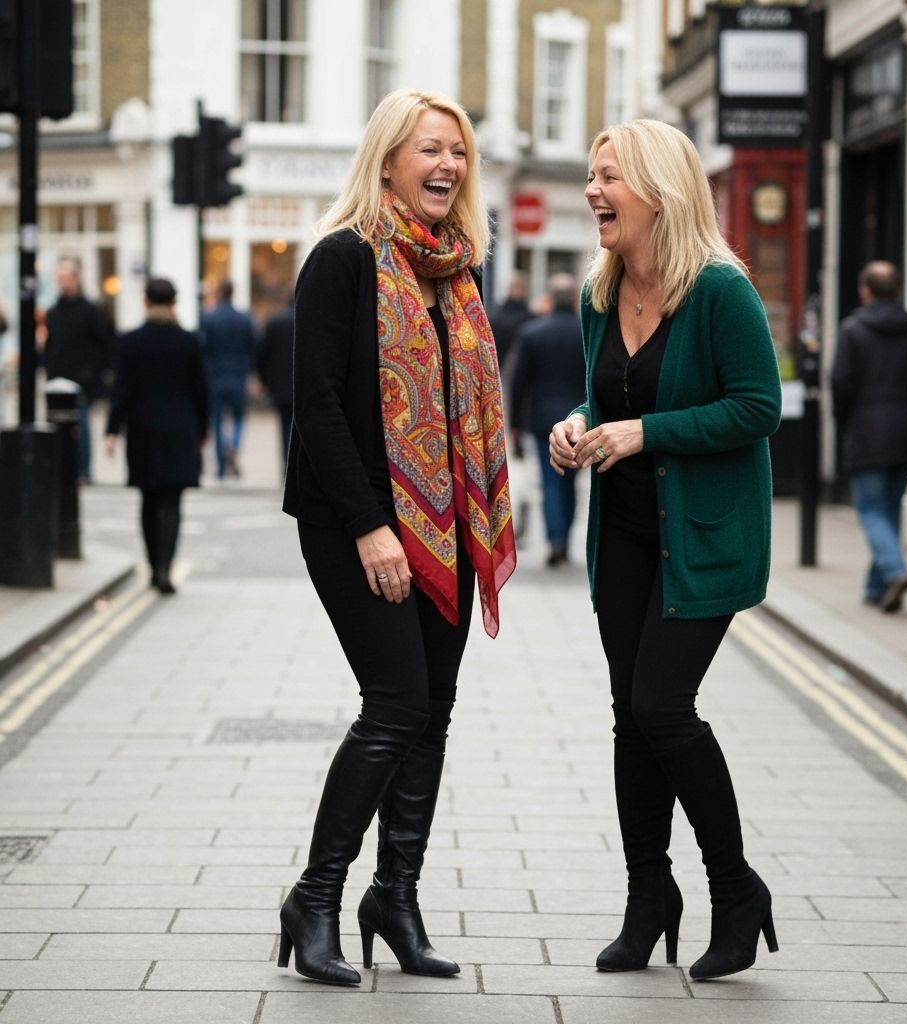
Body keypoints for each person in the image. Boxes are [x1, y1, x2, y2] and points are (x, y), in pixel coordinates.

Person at [278, 88, 516, 987]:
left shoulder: (458, 270)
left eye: (458, 150)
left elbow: (467, 410)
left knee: (433, 714)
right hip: (356, 527)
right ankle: (318, 896)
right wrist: (376, 526)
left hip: (448, 526)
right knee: (396, 705)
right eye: (430, 149)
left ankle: (397, 897)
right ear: (387, 161)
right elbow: (319, 409)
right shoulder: (341, 260)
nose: (448, 165)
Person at [549, 119, 782, 982]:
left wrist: (644, 432)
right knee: (629, 717)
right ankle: (649, 898)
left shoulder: (720, 292)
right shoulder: (597, 294)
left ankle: (735, 890)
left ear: (659, 190)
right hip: (625, 539)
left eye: (608, 176)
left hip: (706, 540)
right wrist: (577, 426)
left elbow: (759, 406)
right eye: (591, 174)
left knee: (661, 706)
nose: (592, 191)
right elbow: (598, 390)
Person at [831, 261, 907, 613]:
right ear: (897, 291)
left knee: (871, 510)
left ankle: (894, 571)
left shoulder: (852, 330)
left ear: (865, 291)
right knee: (889, 509)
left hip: (867, 433)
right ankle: (876, 589)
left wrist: (843, 424)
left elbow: (841, 385)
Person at [104, 278, 208, 594]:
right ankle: (165, 567)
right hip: (180, 428)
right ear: (174, 303)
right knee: (172, 501)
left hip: (143, 429)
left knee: (149, 499)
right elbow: (201, 390)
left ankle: (153, 567)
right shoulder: (189, 341)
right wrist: (203, 430)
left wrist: (112, 430)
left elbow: (121, 389)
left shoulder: (132, 341)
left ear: (146, 303)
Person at [510, 273, 586, 566]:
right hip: (579, 421)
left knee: (550, 481)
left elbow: (519, 385)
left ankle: (556, 540)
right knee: (570, 482)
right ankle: (563, 538)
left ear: (550, 299)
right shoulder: (585, 333)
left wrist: (516, 425)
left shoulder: (532, 332)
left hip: (542, 421)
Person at [44, 257, 112, 483]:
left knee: (81, 426)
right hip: (57, 379)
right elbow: (51, 346)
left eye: (66, 277)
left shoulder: (90, 311)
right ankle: (63, 469)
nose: (62, 282)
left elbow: (102, 345)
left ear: (76, 278)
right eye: (59, 277)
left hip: (82, 379)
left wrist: (91, 373)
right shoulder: (53, 312)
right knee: (57, 427)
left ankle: (83, 470)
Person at [200, 280, 256, 479]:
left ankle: (221, 465)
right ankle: (233, 446)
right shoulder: (244, 318)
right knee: (239, 417)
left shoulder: (208, 318)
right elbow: (253, 347)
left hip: (215, 376)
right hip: (238, 375)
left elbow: (203, 348)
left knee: (216, 420)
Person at [257, 295, 295, 467]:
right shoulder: (308, 320)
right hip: (302, 385)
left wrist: (264, 381)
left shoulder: (274, 323)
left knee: (284, 427)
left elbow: (264, 354)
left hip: (280, 384)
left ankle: (286, 464)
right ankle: (294, 464)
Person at [488, 271, 533, 370]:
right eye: (516, 287)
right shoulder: (497, 312)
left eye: (521, 287)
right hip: (500, 360)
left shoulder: (529, 315)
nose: (518, 291)